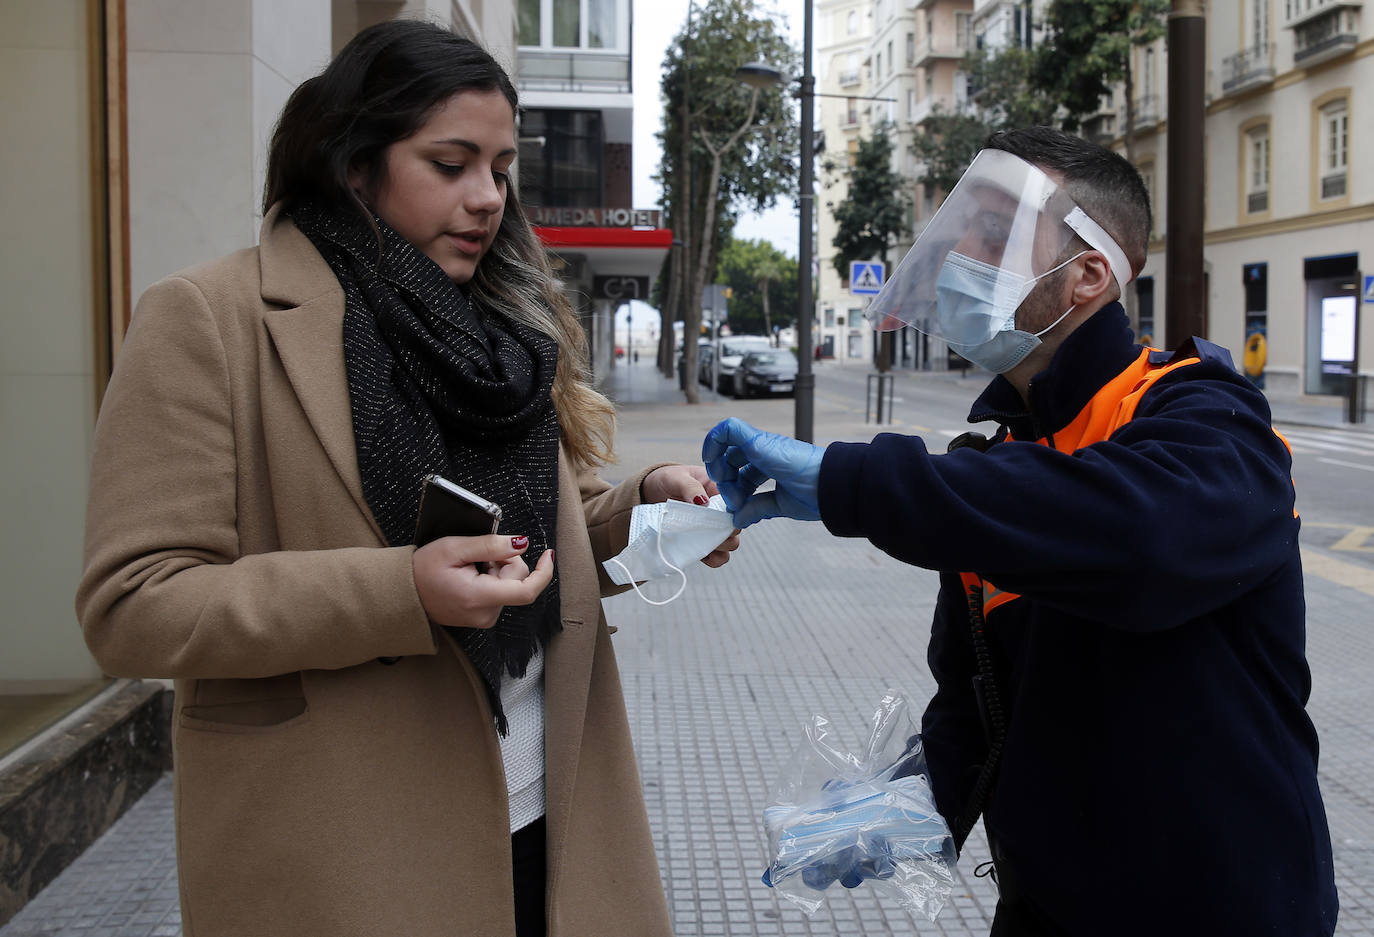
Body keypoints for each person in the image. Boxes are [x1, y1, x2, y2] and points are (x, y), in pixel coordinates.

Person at [77, 20, 737, 937]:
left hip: (554, 820)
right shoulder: (209, 320)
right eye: (451, 162)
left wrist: (643, 504)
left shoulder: (500, 332)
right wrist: (400, 590)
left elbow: (525, 536)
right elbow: (132, 604)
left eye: (501, 168)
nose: (487, 199)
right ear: (356, 164)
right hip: (345, 848)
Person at [704, 127, 1337, 936]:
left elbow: (1138, 536)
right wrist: (906, 800)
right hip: (1045, 913)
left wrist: (851, 479)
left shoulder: (1206, 414)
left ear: (1088, 274)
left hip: (1226, 910)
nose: (961, 247)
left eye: (996, 229)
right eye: (963, 223)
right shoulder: (1000, 458)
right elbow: (982, 703)